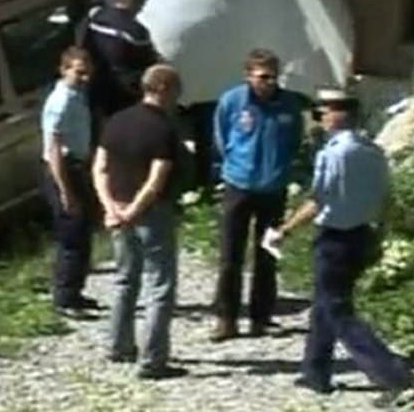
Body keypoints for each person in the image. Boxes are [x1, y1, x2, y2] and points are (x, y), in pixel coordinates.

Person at [264, 88, 414, 407]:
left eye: (322, 111)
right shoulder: (373, 150)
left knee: (338, 311)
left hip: (336, 237)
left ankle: (394, 377)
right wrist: (383, 234)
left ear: (338, 114)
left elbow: (318, 199)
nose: (319, 117)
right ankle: (315, 370)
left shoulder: (334, 154)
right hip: (362, 234)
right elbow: (386, 199)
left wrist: (286, 230)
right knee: (325, 303)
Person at [92, 63, 187, 380]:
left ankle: (118, 345)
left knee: (124, 279)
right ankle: (153, 360)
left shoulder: (117, 121)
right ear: (163, 88)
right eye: (176, 89)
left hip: (116, 207)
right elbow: (156, 179)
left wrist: (110, 207)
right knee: (159, 286)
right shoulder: (163, 128)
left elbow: (100, 168)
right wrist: (134, 210)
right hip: (150, 213)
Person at [210, 48, 305, 341]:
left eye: (274, 77)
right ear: (248, 75)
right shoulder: (233, 101)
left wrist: (282, 170)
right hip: (239, 184)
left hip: (273, 188)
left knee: (267, 254)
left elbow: (294, 141)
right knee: (231, 255)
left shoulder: (289, 105)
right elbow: (222, 136)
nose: (269, 83)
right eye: (263, 77)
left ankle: (260, 317)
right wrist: (235, 164)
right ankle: (226, 317)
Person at [40, 46, 98, 315]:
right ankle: (64, 296)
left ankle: (76, 291)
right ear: (64, 69)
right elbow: (54, 148)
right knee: (71, 234)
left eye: (87, 72)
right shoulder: (60, 101)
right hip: (63, 170)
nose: (85, 78)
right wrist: (65, 191)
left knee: (84, 230)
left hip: (78, 165)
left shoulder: (78, 96)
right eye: (79, 72)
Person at [78, 0, 159, 127]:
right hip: (122, 93)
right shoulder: (137, 32)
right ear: (138, 5)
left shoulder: (98, 16)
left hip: (95, 85)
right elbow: (150, 64)